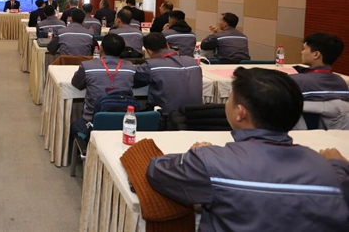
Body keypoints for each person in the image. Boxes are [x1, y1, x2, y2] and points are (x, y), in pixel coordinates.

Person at [146, 67, 349, 231]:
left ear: (240, 113)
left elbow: (157, 170)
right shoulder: (331, 173)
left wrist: (196, 153)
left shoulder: (212, 163)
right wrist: (339, 166)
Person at [70, 34, 135, 137]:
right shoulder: (131, 68)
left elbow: (76, 84)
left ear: (101, 48)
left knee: (74, 126)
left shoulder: (87, 66)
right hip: (124, 122)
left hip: (93, 121)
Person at [135, 33, 202, 114]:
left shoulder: (151, 66)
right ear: (168, 45)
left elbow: (133, 80)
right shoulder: (192, 62)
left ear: (149, 52)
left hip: (166, 116)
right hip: (196, 116)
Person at [292, 33, 349, 129]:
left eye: (304, 49)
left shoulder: (296, 81)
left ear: (316, 54)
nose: (302, 52)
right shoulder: (341, 83)